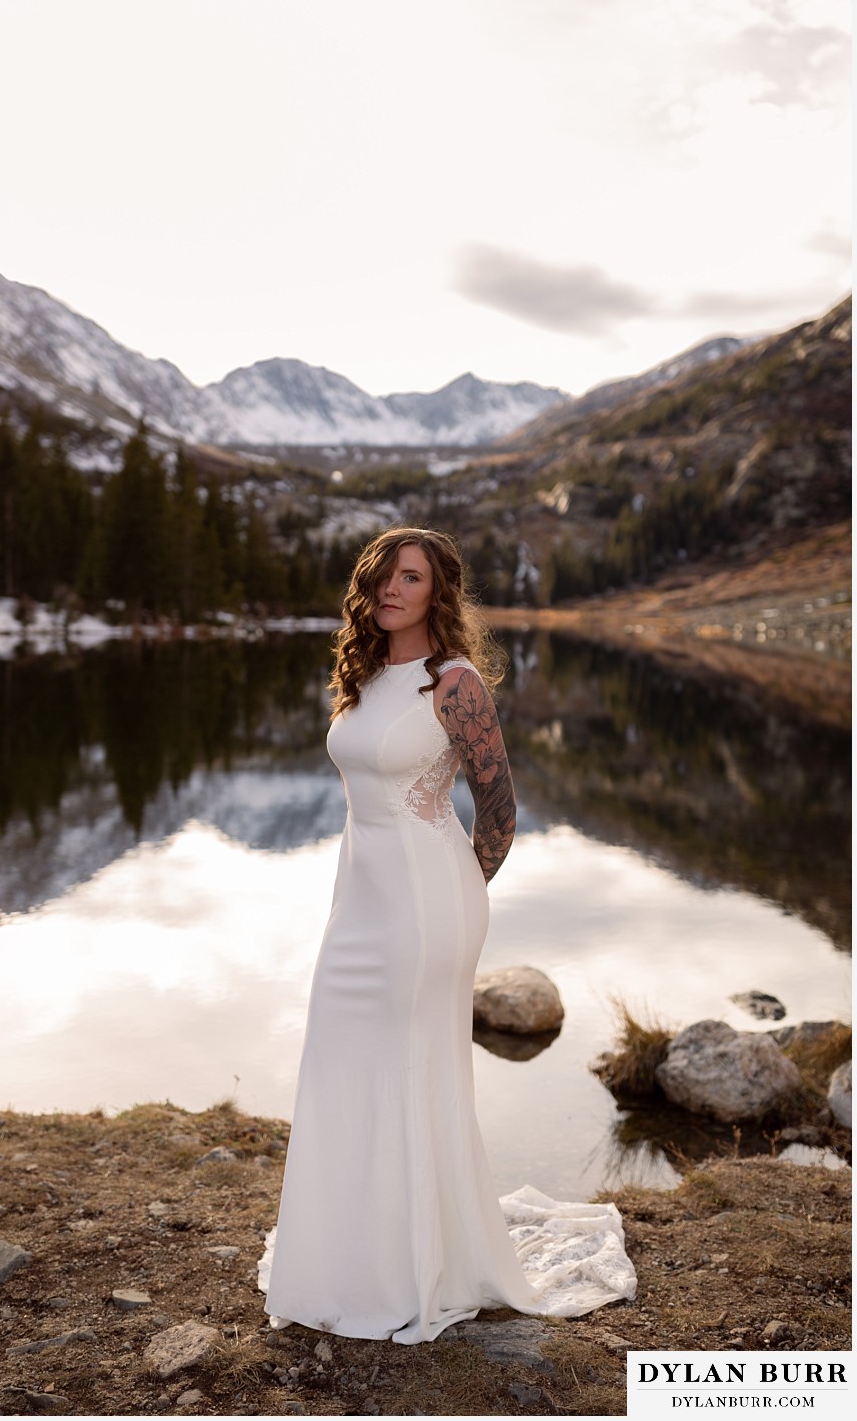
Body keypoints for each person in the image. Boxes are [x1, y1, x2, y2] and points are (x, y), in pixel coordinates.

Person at [261, 527, 635, 1344]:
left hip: (426, 905)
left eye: (412, 577)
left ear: (439, 592)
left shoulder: (454, 682)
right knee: (339, 1057)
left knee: (404, 1067)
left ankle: (413, 1266)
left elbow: (499, 812)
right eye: (384, 575)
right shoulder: (364, 672)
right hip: (358, 901)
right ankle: (351, 1252)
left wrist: (458, 891)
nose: (392, 588)